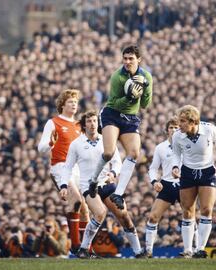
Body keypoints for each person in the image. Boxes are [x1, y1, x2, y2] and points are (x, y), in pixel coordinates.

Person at [60, 111, 145, 258]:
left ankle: (138, 252)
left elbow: (117, 162)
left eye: (94, 121)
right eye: (89, 121)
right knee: (100, 213)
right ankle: (84, 249)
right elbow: (67, 167)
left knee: (123, 215)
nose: (92, 124)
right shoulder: (76, 144)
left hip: (107, 184)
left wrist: (113, 173)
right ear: (83, 125)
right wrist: (63, 185)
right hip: (89, 186)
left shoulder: (106, 140)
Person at [88, 45, 153, 210]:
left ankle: (119, 192)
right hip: (112, 114)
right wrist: (130, 97)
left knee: (134, 153)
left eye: (131, 59)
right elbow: (115, 102)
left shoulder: (146, 76)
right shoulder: (117, 76)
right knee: (109, 153)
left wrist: (144, 88)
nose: (127, 62)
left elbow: (145, 104)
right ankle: (94, 180)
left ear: (139, 59)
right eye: (125, 58)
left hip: (130, 118)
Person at [171, 104, 216, 258]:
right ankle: (188, 250)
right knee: (187, 210)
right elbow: (176, 153)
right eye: (179, 120)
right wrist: (176, 166)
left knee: (207, 210)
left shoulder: (209, 129)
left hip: (207, 171)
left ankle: (200, 248)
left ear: (193, 121)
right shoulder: (177, 135)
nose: (179, 124)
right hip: (188, 172)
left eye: (183, 121)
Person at [37, 89, 89, 252]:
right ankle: (75, 245)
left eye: (75, 102)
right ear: (62, 105)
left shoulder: (79, 126)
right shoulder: (53, 122)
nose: (74, 104)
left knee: (86, 211)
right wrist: (51, 143)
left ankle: (86, 248)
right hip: (61, 166)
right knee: (76, 201)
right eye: (70, 102)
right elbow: (41, 148)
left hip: (78, 169)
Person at [144, 116, 181, 257]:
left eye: (177, 127)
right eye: (171, 127)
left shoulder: (187, 145)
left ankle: (193, 249)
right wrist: (155, 182)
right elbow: (153, 168)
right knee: (153, 217)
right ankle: (148, 251)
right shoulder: (160, 147)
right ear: (167, 131)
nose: (174, 130)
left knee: (190, 216)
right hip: (166, 183)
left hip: (184, 183)